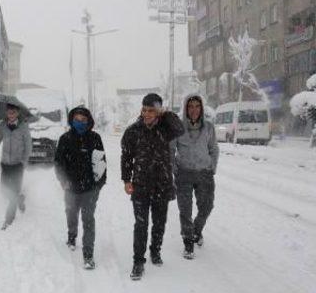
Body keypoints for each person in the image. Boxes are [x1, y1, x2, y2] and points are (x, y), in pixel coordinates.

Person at [121, 93, 185, 280]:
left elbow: (180, 129)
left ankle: (155, 251)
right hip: (140, 184)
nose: (147, 114)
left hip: (162, 184)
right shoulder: (133, 131)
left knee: (159, 222)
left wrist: (165, 113)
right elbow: (126, 157)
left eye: (151, 110)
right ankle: (138, 261)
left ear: (158, 112)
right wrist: (127, 180)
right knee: (141, 224)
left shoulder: (166, 128)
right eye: (144, 110)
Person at [54, 106, 107, 269]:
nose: (80, 123)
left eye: (83, 120)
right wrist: (63, 181)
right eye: (77, 120)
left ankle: (88, 255)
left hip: (90, 189)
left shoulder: (95, 138)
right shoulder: (65, 139)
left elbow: (102, 163)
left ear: (88, 121)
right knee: (71, 214)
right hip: (70, 188)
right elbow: (58, 163)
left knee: (88, 220)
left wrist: (99, 184)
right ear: (72, 120)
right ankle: (72, 235)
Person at [172, 93, 219, 259]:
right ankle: (188, 242)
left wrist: (212, 167)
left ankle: (196, 230)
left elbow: (214, 149)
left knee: (207, 207)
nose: (194, 110)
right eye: (190, 106)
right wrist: (174, 168)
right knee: (185, 210)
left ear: (201, 108)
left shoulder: (209, 128)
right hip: (184, 173)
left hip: (204, 173)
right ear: (185, 108)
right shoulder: (178, 127)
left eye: (197, 106)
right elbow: (171, 150)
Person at [0, 103, 32, 229]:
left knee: (13, 191)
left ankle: (9, 219)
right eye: (9, 112)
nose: (11, 114)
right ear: (6, 113)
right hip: (5, 164)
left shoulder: (24, 127)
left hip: (17, 165)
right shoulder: (3, 125)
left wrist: (23, 162)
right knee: (4, 190)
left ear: (17, 113)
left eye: (13, 112)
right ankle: (19, 198)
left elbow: (28, 146)